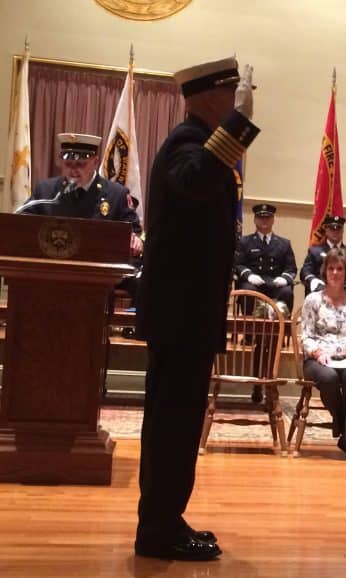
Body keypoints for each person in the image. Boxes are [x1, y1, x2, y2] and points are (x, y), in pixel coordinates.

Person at [134, 56, 260, 561]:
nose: (237, 104)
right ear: (210, 97)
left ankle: (166, 518)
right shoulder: (184, 146)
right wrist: (238, 127)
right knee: (173, 424)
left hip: (185, 314)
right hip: (180, 315)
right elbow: (198, 179)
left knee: (177, 424)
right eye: (232, 97)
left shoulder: (193, 145)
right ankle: (159, 532)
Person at [22, 133, 144, 294]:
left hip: (99, 278)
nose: (73, 171)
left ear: (95, 162)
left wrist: (134, 240)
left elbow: (134, 232)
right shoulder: (45, 190)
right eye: (68, 164)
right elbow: (23, 225)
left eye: (80, 164)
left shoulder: (116, 194)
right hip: (54, 274)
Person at [301, 248, 346, 461]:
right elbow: (305, 336)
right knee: (329, 378)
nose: (335, 273)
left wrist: (337, 353)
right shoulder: (313, 300)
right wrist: (317, 352)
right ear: (325, 271)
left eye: (339, 268)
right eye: (331, 268)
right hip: (317, 359)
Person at [234, 203, 297, 312]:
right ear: (254, 220)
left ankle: (282, 326)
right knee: (248, 291)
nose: (264, 220)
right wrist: (249, 275)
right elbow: (238, 264)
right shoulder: (244, 242)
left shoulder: (284, 243)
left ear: (273, 220)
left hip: (275, 283)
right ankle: (249, 327)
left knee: (286, 292)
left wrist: (284, 278)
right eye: (260, 217)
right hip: (253, 283)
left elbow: (291, 268)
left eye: (267, 217)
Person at [300, 215, 346, 301]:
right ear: (326, 230)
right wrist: (313, 280)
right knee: (318, 291)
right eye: (332, 229)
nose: (335, 231)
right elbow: (305, 271)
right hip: (322, 286)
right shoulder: (314, 251)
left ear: (343, 231)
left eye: (338, 229)